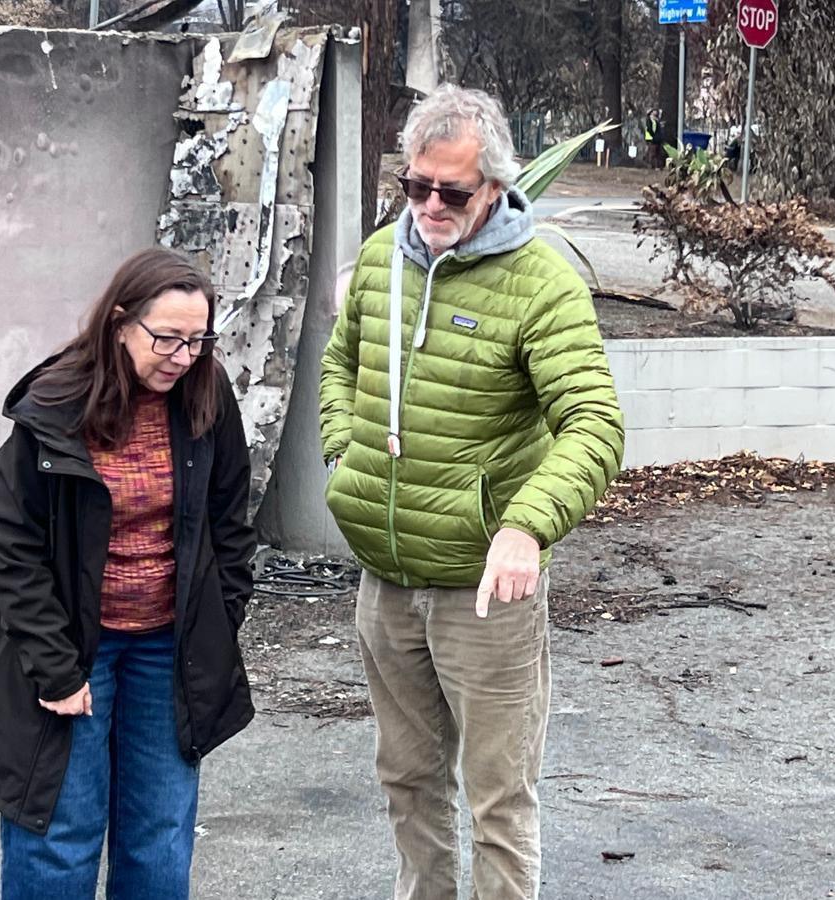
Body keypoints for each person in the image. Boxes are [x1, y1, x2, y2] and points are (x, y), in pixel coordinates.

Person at [319, 84, 626, 899]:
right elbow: (339, 365)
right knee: (408, 786)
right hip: (385, 583)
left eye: (450, 191)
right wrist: (340, 459)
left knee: (499, 803)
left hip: (483, 595)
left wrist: (525, 527)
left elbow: (594, 424)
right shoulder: (385, 256)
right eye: (414, 186)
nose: (428, 205)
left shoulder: (541, 284)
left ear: (495, 186)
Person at [0, 248, 257, 900]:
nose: (183, 357)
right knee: (60, 838)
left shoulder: (206, 399)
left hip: (169, 647)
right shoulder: (55, 407)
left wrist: (217, 621)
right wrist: (55, 667)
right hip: (73, 650)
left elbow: (230, 523)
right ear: (121, 322)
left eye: (198, 341)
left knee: (158, 837)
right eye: (167, 339)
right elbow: (13, 545)